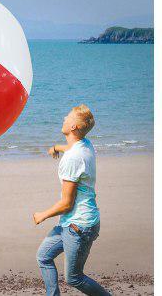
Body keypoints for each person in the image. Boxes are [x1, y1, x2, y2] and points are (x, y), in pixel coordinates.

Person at [33, 104, 110, 296]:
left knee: (74, 277)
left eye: (67, 117)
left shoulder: (73, 159)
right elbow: (71, 147)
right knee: (43, 256)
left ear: (74, 127)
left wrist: (42, 215)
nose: (63, 119)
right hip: (72, 223)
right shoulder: (85, 144)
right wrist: (55, 148)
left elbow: (67, 203)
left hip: (79, 227)